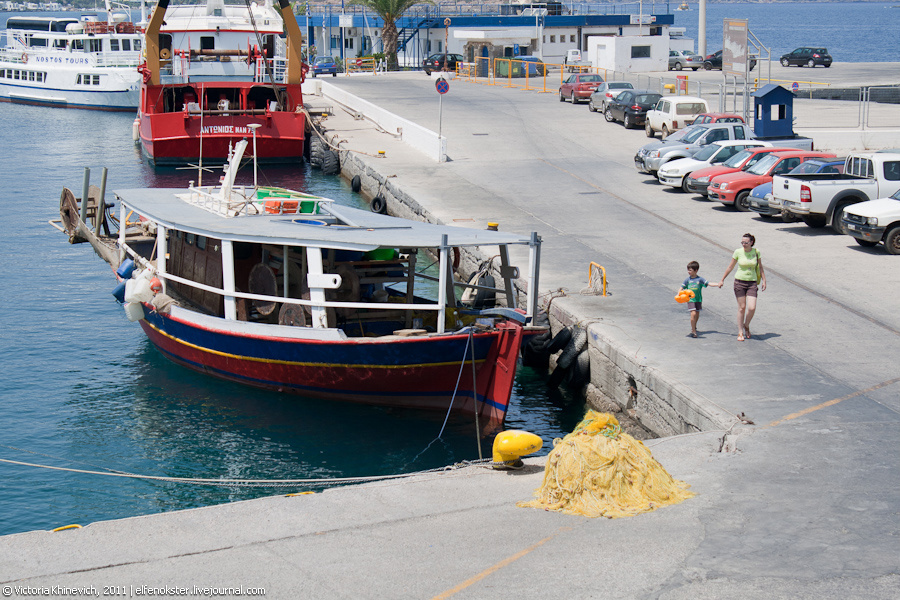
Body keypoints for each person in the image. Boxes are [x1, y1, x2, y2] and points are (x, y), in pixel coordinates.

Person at [717, 233, 766, 341]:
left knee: (752, 307)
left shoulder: (756, 252)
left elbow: (760, 267)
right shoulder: (738, 252)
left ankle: (746, 324)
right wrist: (722, 279)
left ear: (751, 243)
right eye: (742, 242)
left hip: (752, 282)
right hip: (739, 282)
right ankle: (740, 332)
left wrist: (764, 280)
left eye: (746, 242)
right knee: (742, 307)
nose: (744, 244)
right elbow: (730, 266)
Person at [682, 261, 721, 338]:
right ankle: (693, 331)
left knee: (697, 314)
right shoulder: (687, 280)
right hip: (691, 300)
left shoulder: (700, 279)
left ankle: (694, 326)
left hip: (698, 300)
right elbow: (681, 287)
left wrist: (718, 284)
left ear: (696, 270)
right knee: (693, 313)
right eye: (688, 270)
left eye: (690, 270)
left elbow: (709, 284)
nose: (688, 272)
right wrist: (679, 293)